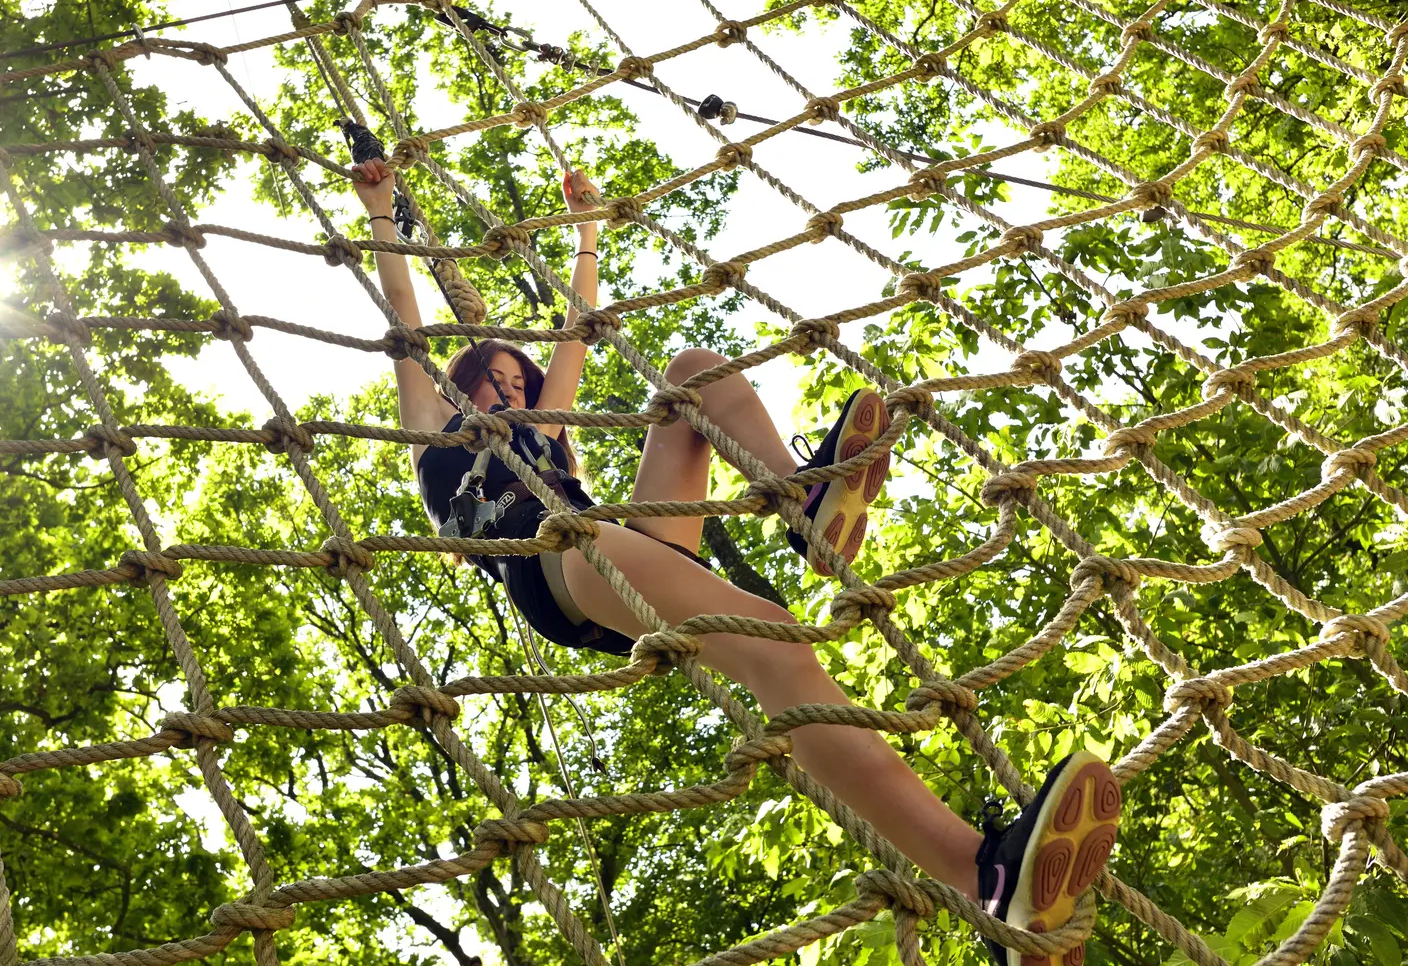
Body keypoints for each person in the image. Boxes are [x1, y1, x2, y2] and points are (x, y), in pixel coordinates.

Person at [352, 158, 1119, 965]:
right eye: (490, 380)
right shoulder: (434, 430)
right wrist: (378, 212)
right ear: (460, 389)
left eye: (517, 378)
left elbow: (578, 324)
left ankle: (803, 502)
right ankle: (983, 883)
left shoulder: (546, 429)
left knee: (689, 372)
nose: (507, 390)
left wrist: (588, 231)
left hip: (621, 538)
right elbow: (404, 317)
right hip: (556, 567)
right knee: (777, 644)